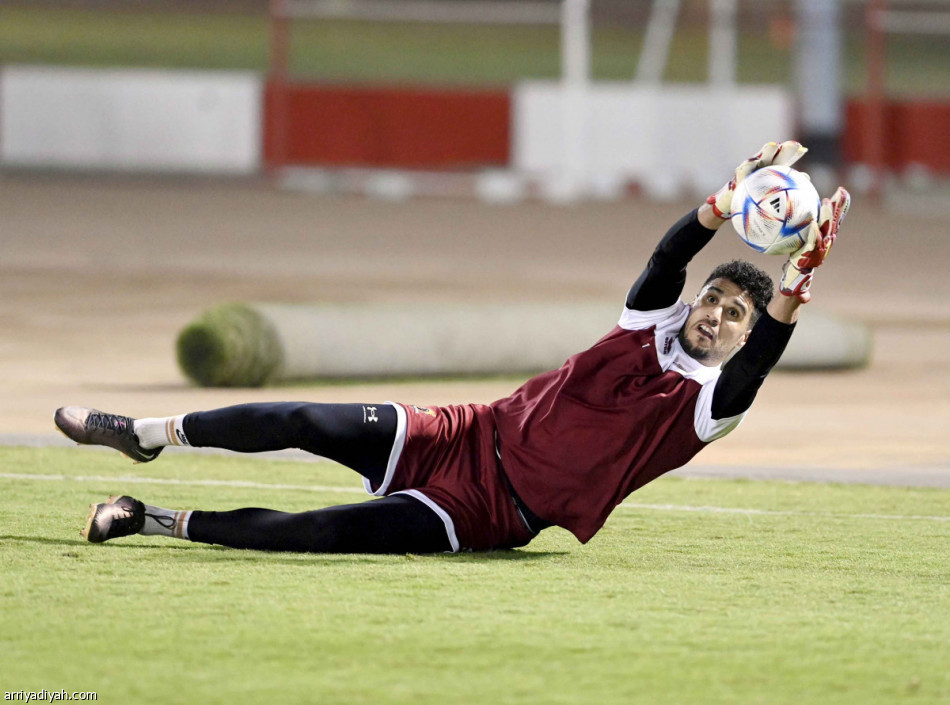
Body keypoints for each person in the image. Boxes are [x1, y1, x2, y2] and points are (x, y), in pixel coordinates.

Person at [56, 141, 850, 554]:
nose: (715, 313)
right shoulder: (651, 323)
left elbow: (761, 359)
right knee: (303, 415)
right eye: (715, 298)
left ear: (745, 331)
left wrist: (797, 282)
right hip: (466, 429)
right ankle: (145, 435)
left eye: (734, 312)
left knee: (323, 531)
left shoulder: (709, 407)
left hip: (487, 509)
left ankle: (148, 520)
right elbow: (668, 258)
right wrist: (723, 198)